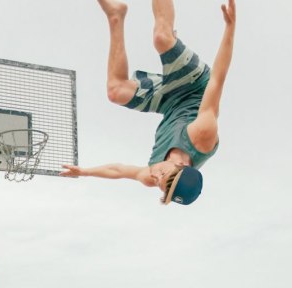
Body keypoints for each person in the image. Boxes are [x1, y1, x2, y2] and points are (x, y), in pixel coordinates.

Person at [59, 0, 237, 205]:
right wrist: (230, 28)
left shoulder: (152, 173)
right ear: (181, 166)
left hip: (168, 102)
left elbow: (119, 170)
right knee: (161, 38)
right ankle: (166, 34)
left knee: (116, 91)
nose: (156, 178)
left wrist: (84, 171)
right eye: (164, 176)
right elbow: (217, 79)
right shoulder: (202, 136)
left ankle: (116, 15)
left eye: (160, 186)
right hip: (195, 84)